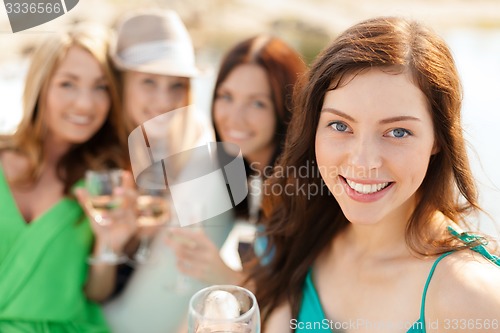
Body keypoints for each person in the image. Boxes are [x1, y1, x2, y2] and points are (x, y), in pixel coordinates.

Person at [250, 17, 500, 333]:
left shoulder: (469, 296)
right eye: (340, 126)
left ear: (437, 138)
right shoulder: (305, 234)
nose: (363, 161)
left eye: (397, 131)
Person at [102, 9, 233, 333]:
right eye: (148, 81)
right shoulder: (100, 152)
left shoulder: (198, 145)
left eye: (176, 86)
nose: (164, 100)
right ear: (121, 84)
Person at [0, 22, 129, 331]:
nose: (85, 103)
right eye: (68, 84)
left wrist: (108, 244)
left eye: (101, 87)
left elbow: (95, 294)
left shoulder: (105, 182)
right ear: (40, 86)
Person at [165, 35, 307, 286]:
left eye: (257, 103)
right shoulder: (245, 172)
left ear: (288, 109)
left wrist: (228, 278)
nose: (234, 118)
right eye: (226, 96)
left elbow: (302, 297)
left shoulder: (303, 189)